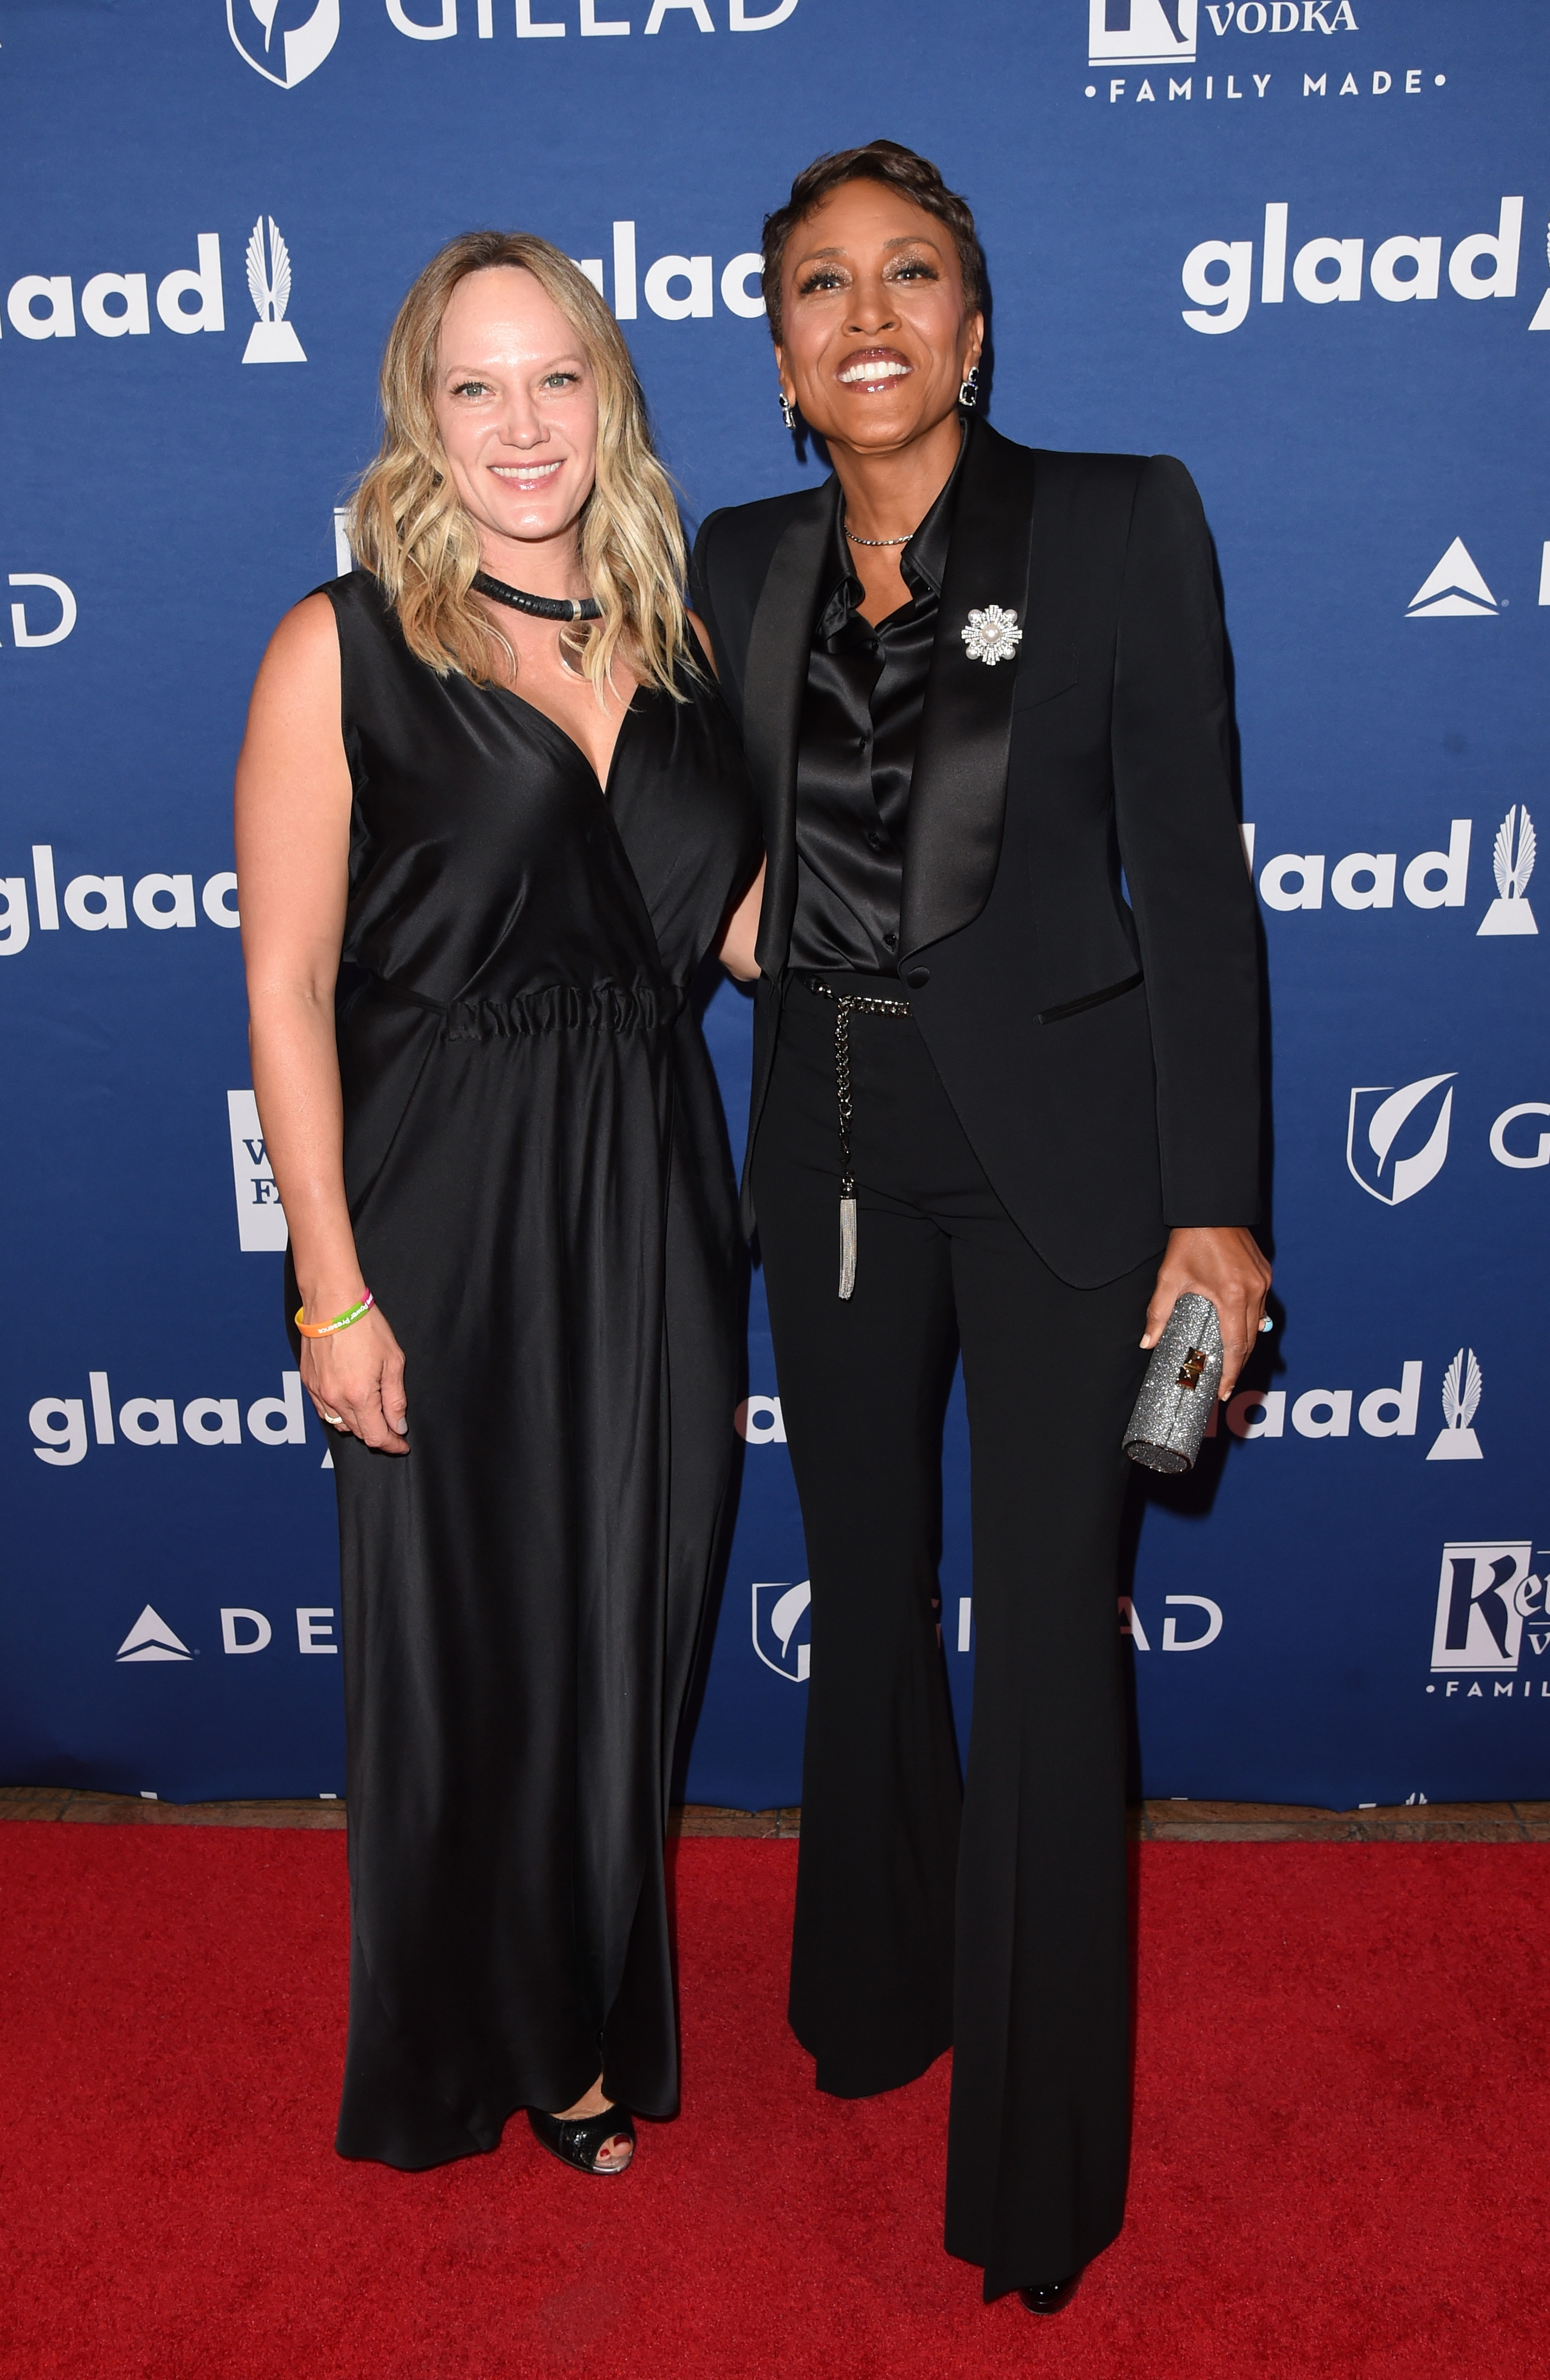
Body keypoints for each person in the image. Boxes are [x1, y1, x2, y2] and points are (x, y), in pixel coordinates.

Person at [691, 143, 1269, 2306]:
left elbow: (1196, 899)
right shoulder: (736, 565)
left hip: (1064, 1174)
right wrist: (716, 903)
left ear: (975, 324)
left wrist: (1215, 1213)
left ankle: (1036, 2173)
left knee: (1039, 1637)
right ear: (777, 359)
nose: (868, 314)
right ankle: (874, 1997)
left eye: (910, 274)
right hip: (826, 1160)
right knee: (861, 1587)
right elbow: (614, 790)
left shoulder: (1119, 524)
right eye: (821, 285)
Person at [235, 231, 762, 2181]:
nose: (520, 423)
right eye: (475, 385)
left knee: (631, 1616)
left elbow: (733, 928)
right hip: (441, 1207)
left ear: (608, 397)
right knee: (471, 1633)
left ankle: (584, 1993)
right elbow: (286, 984)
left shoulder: (682, 639)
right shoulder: (345, 643)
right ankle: (503, 2039)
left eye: (556, 379)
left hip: (654, 1196)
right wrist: (330, 1291)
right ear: (419, 415)